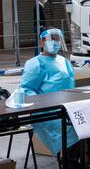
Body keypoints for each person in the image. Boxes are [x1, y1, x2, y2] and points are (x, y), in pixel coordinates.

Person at [20, 28, 79, 156]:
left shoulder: (64, 61)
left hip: (67, 107)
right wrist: (44, 103)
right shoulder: (35, 63)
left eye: (57, 39)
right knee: (72, 128)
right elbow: (26, 89)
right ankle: (70, 159)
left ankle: (81, 159)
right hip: (47, 111)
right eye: (50, 39)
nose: (54, 42)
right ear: (42, 42)